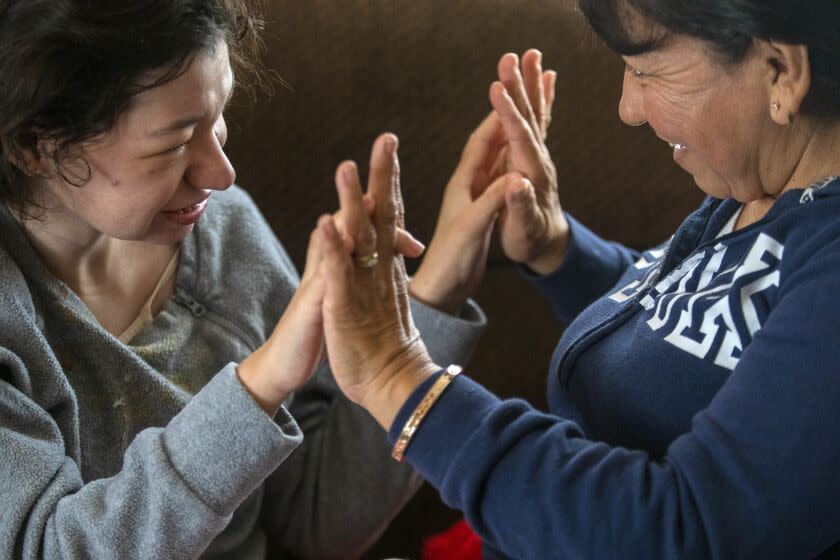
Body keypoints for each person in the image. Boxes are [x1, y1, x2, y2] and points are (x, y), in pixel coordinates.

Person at [309, 0, 840, 558]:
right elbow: (697, 337)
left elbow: (680, 531)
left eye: (645, 70)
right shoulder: (764, 190)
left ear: (782, 71)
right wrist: (557, 249)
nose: (627, 108)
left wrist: (401, 379)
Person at [0, 1, 490, 558]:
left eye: (219, 117)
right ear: (35, 146)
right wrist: (258, 385)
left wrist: (435, 291)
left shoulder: (225, 228)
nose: (221, 174)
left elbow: (312, 521)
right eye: (175, 144)